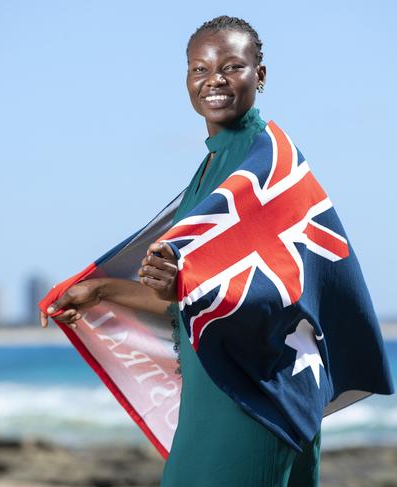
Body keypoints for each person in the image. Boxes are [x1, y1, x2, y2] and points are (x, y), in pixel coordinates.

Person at [40, 16, 321, 487]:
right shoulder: (209, 170)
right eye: (199, 69)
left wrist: (184, 286)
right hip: (209, 392)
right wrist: (101, 291)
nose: (213, 79)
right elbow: (190, 301)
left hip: (259, 395)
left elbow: (277, 293)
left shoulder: (270, 164)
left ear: (261, 75)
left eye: (232, 66)